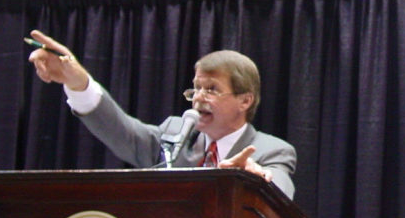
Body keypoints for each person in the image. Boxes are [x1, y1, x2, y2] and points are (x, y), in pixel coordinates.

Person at [27, 29, 296, 198]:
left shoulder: (271, 150)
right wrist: (78, 83)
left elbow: (282, 189)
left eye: (211, 89)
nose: (199, 98)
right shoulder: (175, 135)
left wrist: (256, 180)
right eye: (196, 89)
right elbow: (122, 132)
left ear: (245, 100)